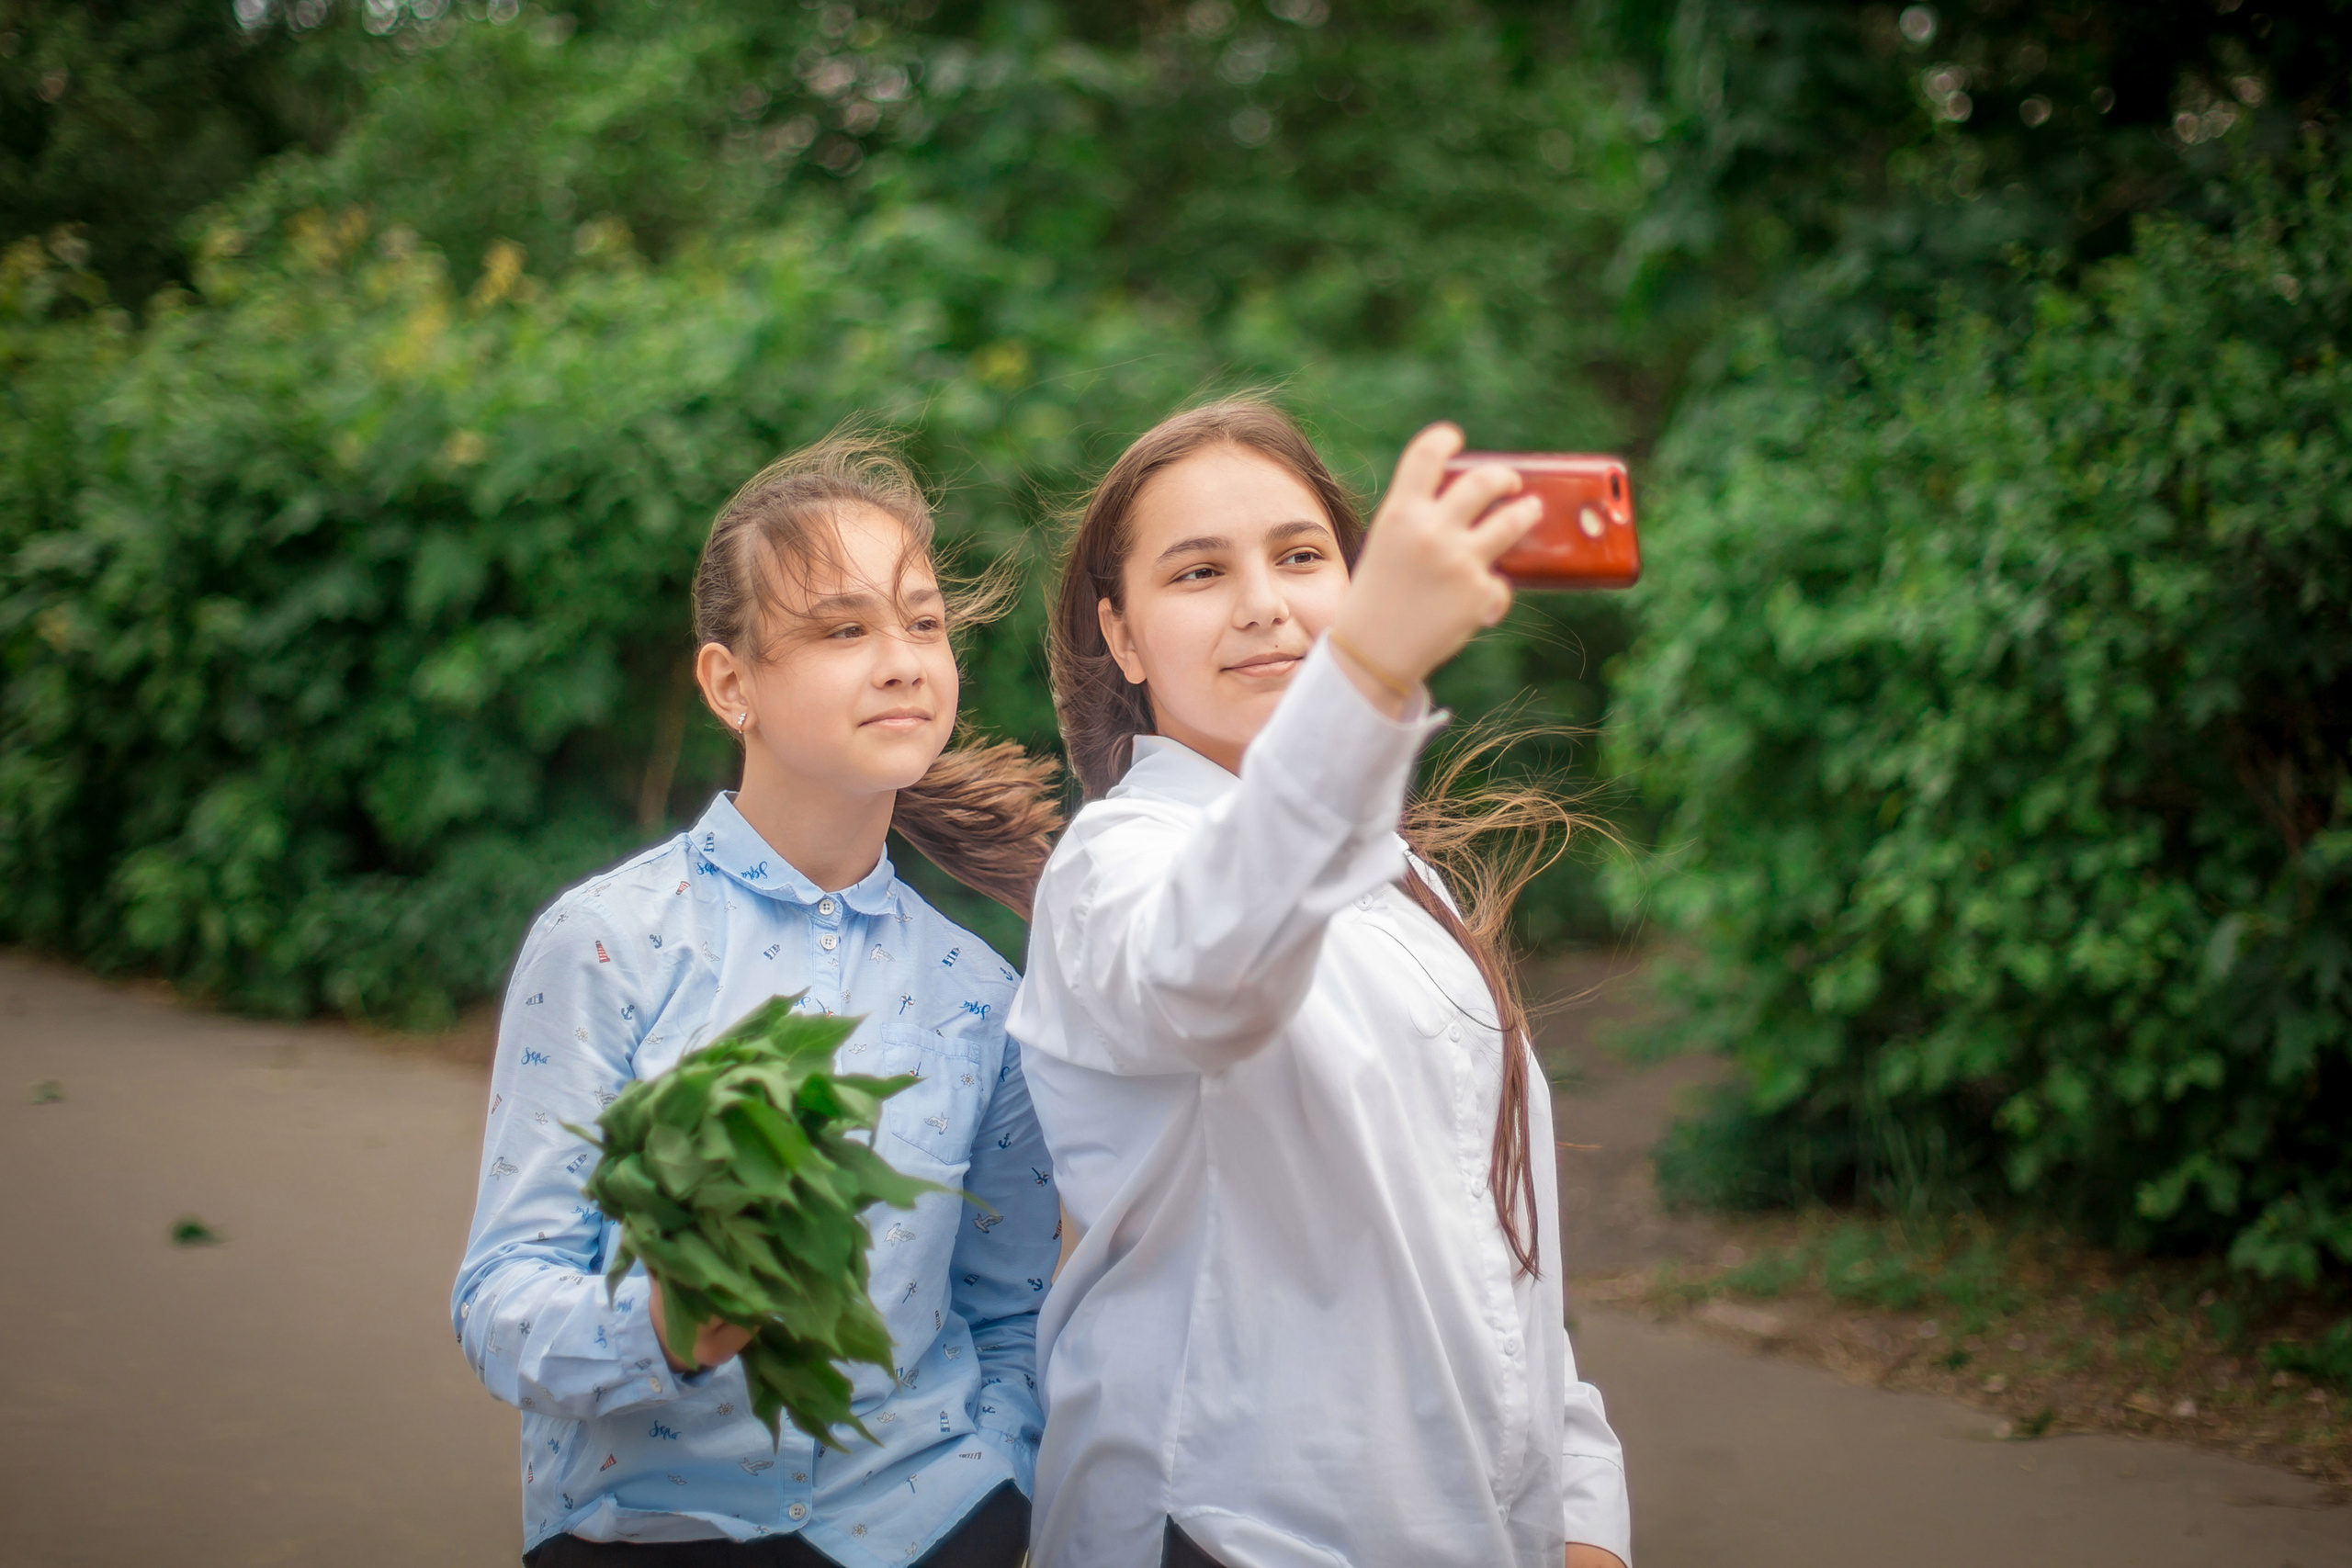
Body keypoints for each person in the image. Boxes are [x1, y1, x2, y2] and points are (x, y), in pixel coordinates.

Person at [1007, 398, 1633, 1568]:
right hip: (1228, 1536)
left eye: (1301, 557)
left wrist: (1583, 1506)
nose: (1263, 603)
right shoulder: (1114, 869)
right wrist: (1368, 667)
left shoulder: (1415, 893)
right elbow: (1211, 973)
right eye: (1197, 572)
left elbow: (1495, 1251)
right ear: (1124, 640)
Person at [451, 433, 1064, 1567]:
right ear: (730, 683)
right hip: (652, 1531)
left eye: (922, 622)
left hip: (936, 1523)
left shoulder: (984, 994)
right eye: (843, 629)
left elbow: (1012, 1309)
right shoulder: (607, 944)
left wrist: (1005, 1477)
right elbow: (498, 1297)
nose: (902, 661)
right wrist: (663, 1332)